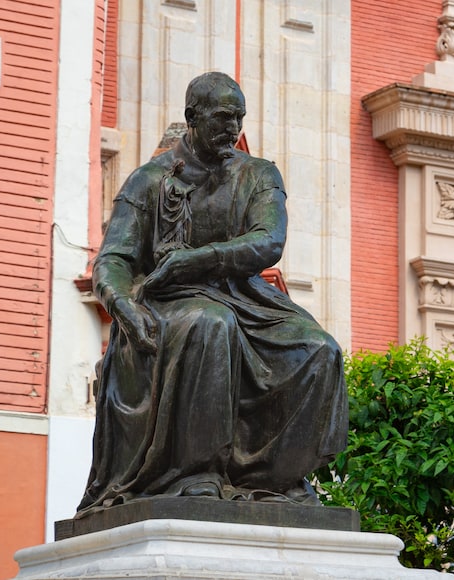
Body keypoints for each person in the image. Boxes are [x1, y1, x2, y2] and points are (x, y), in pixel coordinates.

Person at [76, 72, 347, 515]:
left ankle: (278, 476)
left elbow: (268, 242)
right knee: (209, 324)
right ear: (192, 117)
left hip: (246, 296)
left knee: (319, 350)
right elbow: (114, 260)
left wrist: (200, 258)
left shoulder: (259, 175)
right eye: (223, 117)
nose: (233, 128)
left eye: (238, 118)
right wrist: (123, 305)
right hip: (168, 300)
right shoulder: (149, 180)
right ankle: (195, 473)